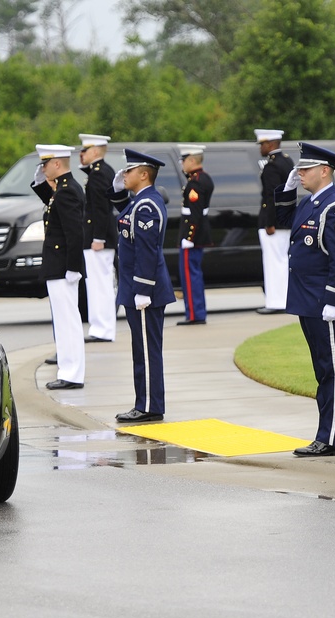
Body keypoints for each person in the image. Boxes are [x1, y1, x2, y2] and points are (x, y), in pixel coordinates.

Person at [274, 143, 335, 456]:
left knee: (334, 371)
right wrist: (285, 192)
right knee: (323, 369)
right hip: (308, 300)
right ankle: (327, 433)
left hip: (326, 302)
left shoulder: (334, 207)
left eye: (305, 169)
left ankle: (334, 437)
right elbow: (285, 219)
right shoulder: (311, 202)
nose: (299, 174)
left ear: (324, 171)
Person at [109, 149, 176, 423]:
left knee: (147, 351)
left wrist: (143, 291)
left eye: (130, 171)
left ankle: (148, 406)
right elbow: (125, 216)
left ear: (144, 174)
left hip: (143, 291)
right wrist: (116, 190)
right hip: (134, 288)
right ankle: (145, 402)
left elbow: (147, 253)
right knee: (142, 348)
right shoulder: (140, 201)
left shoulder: (147, 205)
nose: (125, 174)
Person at [31, 143, 87, 390]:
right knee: (64, 321)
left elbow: (74, 233)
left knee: (68, 322)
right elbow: (54, 209)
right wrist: (39, 185)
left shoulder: (67, 191)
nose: (43, 169)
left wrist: (73, 268)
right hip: (60, 265)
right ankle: (68, 370)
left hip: (63, 266)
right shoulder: (64, 189)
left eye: (45, 164)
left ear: (56, 164)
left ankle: (72, 373)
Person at [78, 133, 118, 343]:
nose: (81, 154)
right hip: (99, 236)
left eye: (84, 150)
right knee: (98, 283)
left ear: (94, 151)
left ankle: (102, 329)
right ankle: (101, 327)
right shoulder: (101, 171)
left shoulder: (98, 174)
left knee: (99, 284)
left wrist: (99, 237)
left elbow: (101, 209)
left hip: (99, 238)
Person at [255, 129, 295, 314]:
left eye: (262, 144)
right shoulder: (287, 161)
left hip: (274, 223)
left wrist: (269, 222)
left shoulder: (272, 166)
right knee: (283, 261)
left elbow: (271, 196)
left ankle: (276, 302)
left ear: (271, 144)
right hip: (285, 220)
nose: (260, 148)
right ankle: (285, 299)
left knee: (274, 263)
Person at [176, 144, 214, 325]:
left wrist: (188, 238)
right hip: (197, 234)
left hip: (192, 236)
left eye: (184, 160)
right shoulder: (203, 178)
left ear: (192, 160)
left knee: (190, 277)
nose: (182, 164)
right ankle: (196, 312)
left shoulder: (196, 182)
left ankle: (194, 314)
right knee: (193, 275)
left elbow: (195, 213)